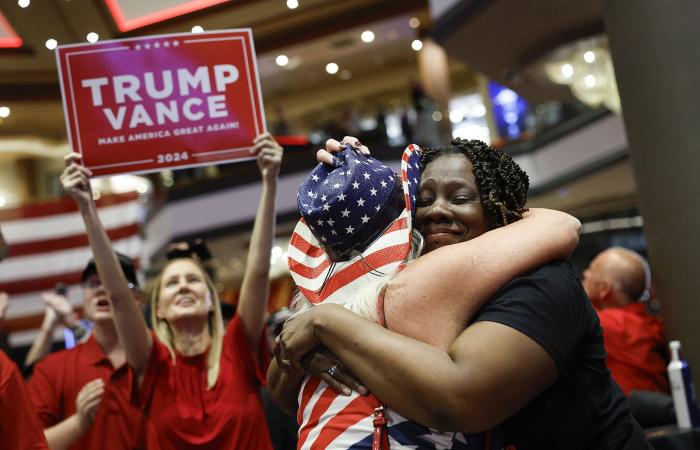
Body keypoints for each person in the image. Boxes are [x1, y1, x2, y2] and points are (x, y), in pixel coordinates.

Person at [275, 138, 651, 449]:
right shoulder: (420, 282)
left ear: (497, 210)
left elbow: (460, 400)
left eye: (459, 198)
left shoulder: (542, 282)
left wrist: (330, 324)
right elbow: (278, 386)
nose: (436, 211)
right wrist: (350, 179)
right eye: (424, 199)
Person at [60, 132, 282, 449]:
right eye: (172, 282)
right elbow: (120, 298)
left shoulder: (238, 346)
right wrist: (86, 207)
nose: (183, 287)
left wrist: (270, 181)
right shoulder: (152, 362)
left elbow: (258, 273)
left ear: (210, 300)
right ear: (158, 308)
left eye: (193, 280)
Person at [27, 254, 144, 450]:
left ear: (138, 299)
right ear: (85, 299)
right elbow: (27, 444)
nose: (101, 289)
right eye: (93, 283)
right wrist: (78, 422)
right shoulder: (52, 369)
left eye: (112, 281)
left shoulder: (160, 359)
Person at [582, 247, 669, 395]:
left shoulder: (608, 324)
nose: (585, 273)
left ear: (604, 289)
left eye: (592, 269)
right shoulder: (644, 323)